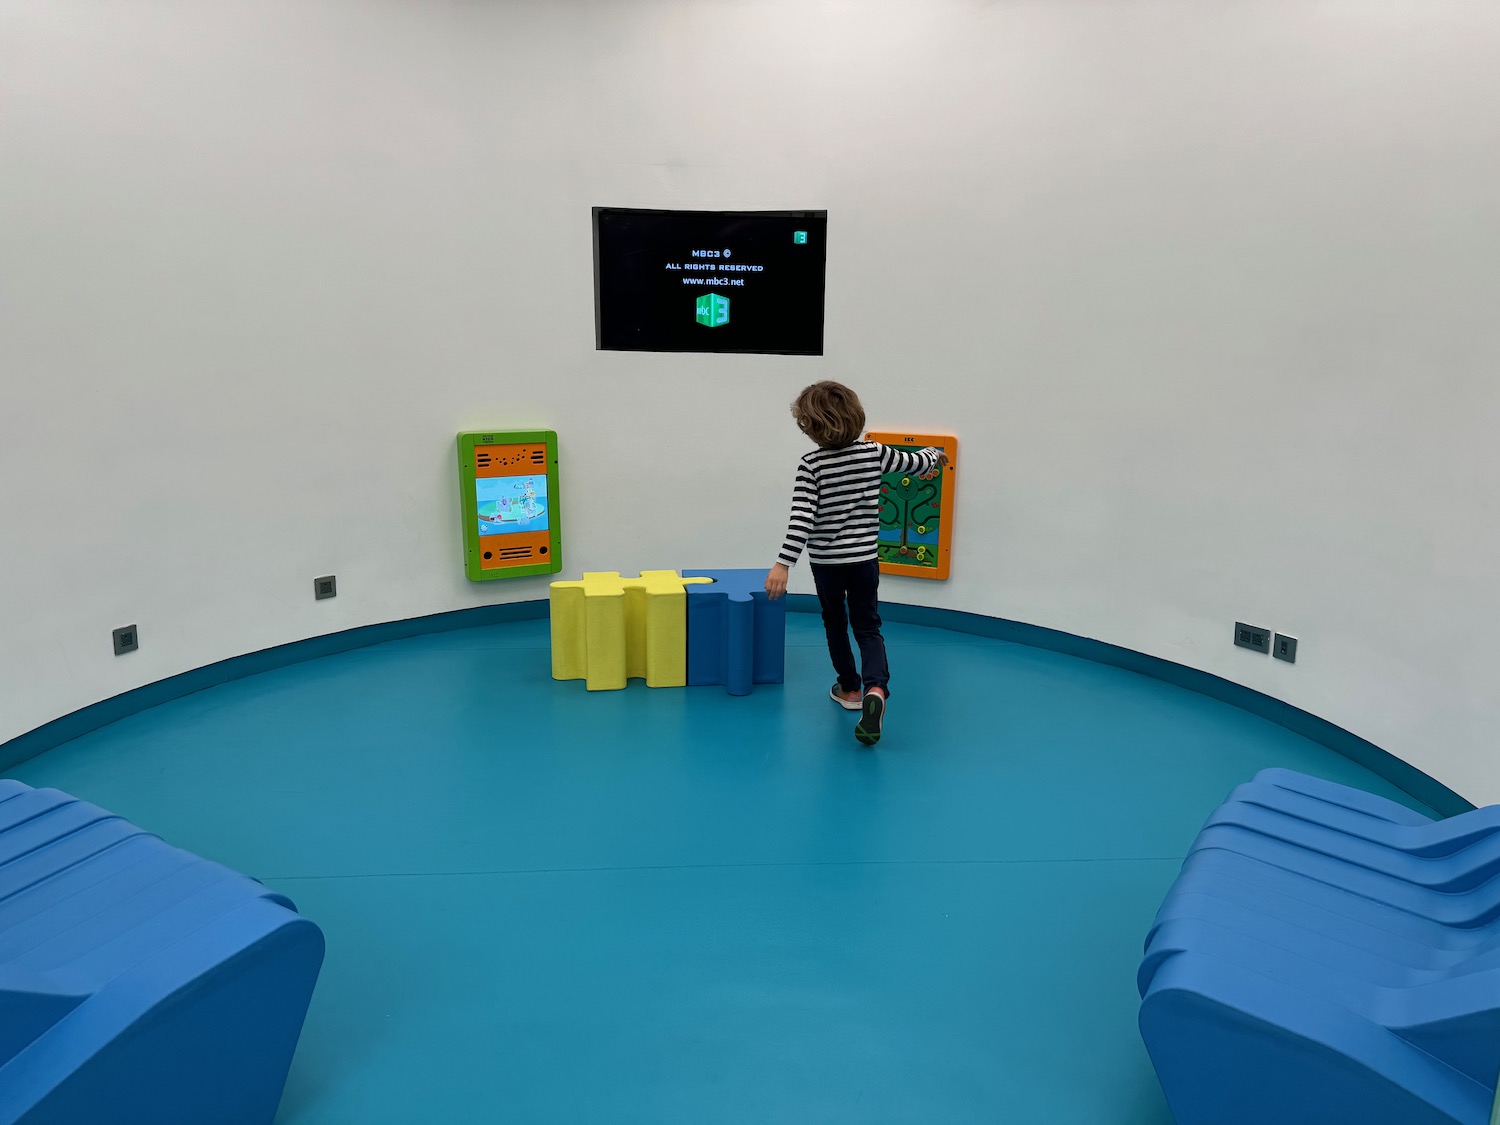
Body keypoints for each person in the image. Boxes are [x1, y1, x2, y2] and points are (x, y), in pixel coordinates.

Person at [765, 381, 948, 746]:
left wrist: (783, 565)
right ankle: (876, 689)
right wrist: (935, 455)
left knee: (835, 622)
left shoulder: (811, 466)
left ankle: (849, 689)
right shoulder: (874, 453)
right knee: (868, 626)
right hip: (864, 561)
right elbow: (916, 461)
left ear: (810, 427)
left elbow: (802, 519)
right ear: (856, 417)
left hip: (828, 565)